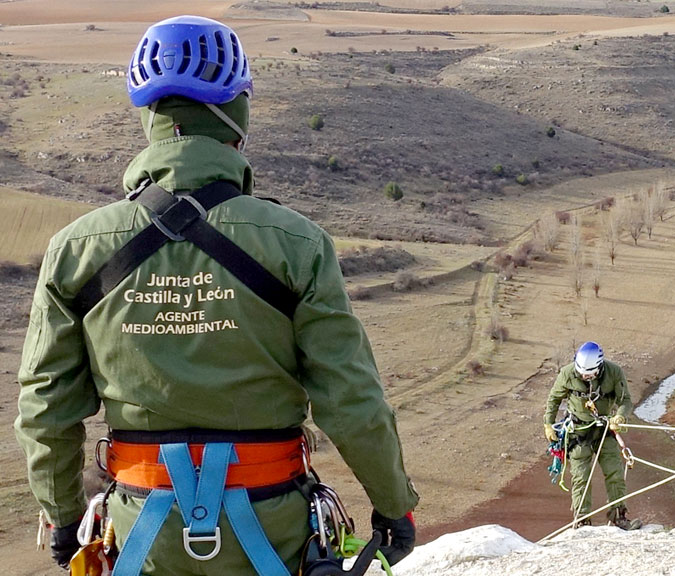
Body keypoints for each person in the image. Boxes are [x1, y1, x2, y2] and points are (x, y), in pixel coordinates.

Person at [15, 15, 418, 574]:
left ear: (149, 118)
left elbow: (46, 406)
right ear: (239, 111)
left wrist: (62, 518)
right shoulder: (297, 244)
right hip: (270, 525)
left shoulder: (76, 249)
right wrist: (393, 506)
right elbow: (350, 399)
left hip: (140, 530)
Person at [544, 341, 641, 529]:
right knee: (581, 476)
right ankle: (582, 520)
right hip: (578, 433)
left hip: (604, 429)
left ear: (599, 367)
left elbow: (625, 400)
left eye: (589, 374)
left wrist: (620, 417)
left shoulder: (613, 372)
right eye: (582, 373)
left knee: (615, 472)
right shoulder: (567, 373)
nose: (584, 376)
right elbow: (553, 399)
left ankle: (619, 516)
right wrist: (548, 424)